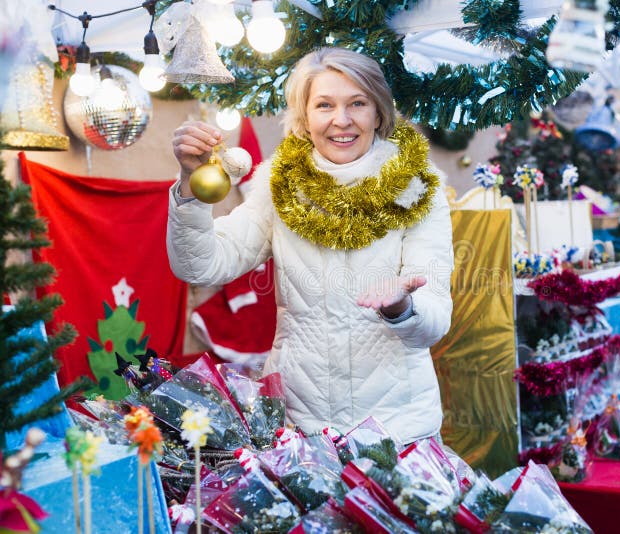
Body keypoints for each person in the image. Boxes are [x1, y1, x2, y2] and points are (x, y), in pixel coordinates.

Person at [167, 47, 454, 445]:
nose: (342, 120)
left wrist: (402, 308)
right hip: (299, 428)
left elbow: (435, 322)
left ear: (378, 112)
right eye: (324, 105)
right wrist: (190, 187)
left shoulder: (418, 189)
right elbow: (200, 266)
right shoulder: (278, 186)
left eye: (358, 103)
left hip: (397, 430)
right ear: (305, 116)